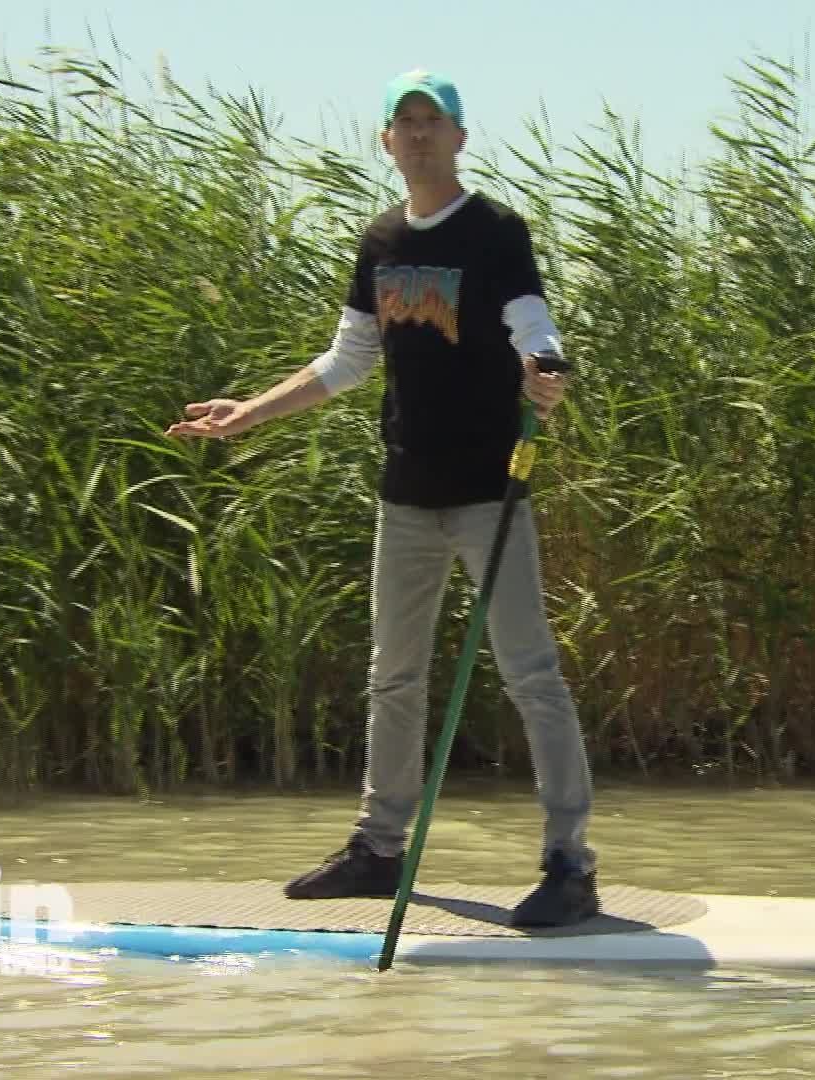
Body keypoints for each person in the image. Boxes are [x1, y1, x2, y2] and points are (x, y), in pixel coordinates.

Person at [165, 69, 599, 928]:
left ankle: (569, 866)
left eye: (435, 120)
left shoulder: (495, 231)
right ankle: (379, 849)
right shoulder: (380, 240)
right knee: (392, 679)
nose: (421, 133)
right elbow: (348, 359)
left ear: (460, 138)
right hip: (406, 494)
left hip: (489, 490)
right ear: (387, 142)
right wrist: (249, 413)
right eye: (406, 122)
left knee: (532, 676)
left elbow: (531, 324)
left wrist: (544, 374)